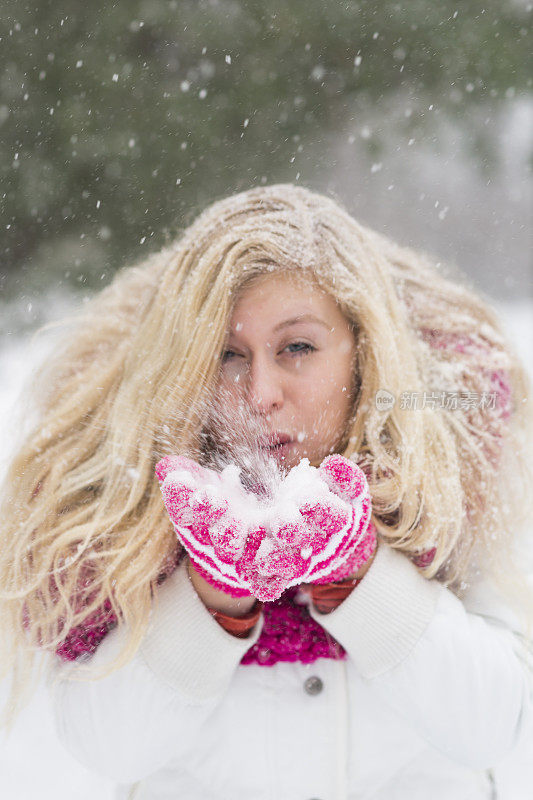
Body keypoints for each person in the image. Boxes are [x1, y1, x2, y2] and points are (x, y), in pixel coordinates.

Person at [1, 184, 532, 799]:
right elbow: (110, 746)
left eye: (297, 347)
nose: (260, 393)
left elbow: (495, 723)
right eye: (227, 354)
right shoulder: (121, 512)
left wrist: (358, 573)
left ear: (364, 352)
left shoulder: (449, 484)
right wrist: (211, 594)